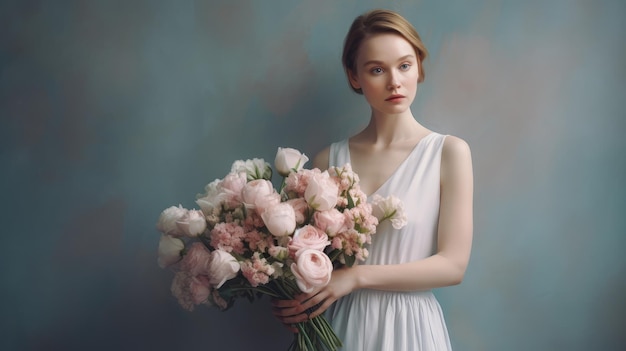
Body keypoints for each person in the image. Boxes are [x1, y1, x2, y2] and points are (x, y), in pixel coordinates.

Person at [273, 8, 473, 350]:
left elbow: (452, 266)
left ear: (419, 67)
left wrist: (356, 277)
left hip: (411, 327)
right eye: (377, 69)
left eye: (405, 65)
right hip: (342, 324)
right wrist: (294, 300)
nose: (395, 81)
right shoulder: (328, 161)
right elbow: (308, 257)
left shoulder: (448, 153)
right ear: (355, 77)